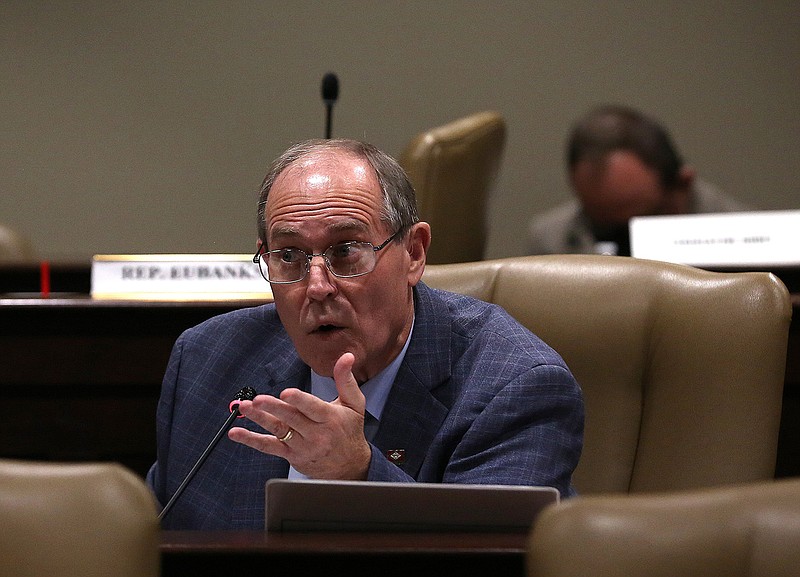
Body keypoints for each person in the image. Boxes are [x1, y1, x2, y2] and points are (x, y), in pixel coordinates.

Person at [146, 139, 584, 530]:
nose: (316, 286)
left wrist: (358, 472)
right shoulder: (207, 360)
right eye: (290, 256)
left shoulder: (515, 386)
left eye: (345, 251)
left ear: (414, 253)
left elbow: (487, 565)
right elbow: (155, 539)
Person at [527, 105, 749, 256]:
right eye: (600, 225)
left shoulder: (749, 246)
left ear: (682, 184)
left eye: (638, 223)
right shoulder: (552, 243)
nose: (624, 244)